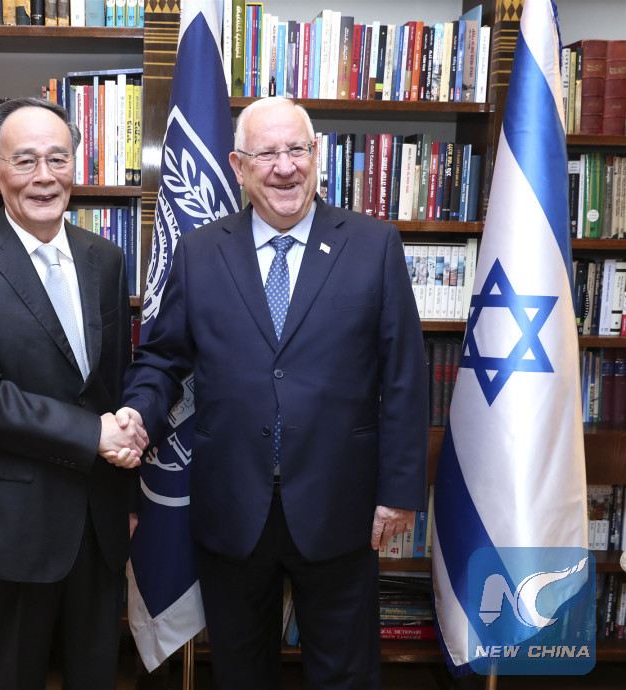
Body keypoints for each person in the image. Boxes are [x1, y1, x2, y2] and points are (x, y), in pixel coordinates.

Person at [117, 97, 429, 688]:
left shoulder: (374, 244)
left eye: (297, 150)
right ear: (238, 166)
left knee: (344, 673)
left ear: (317, 156)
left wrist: (398, 492)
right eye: (267, 154)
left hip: (341, 503)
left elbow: (404, 376)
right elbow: (162, 357)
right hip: (232, 502)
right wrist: (136, 412)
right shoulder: (200, 251)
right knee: (240, 671)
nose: (285, 167)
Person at [0, 96, 145, 690]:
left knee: (96, 674)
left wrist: (128, 490)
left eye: (58, 158)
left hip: (98, 519)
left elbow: (113, 381)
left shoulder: (106, 259)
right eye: (24, 161)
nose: (44, 176)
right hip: (13, 523)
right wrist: (93, 433)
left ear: (75, 164)